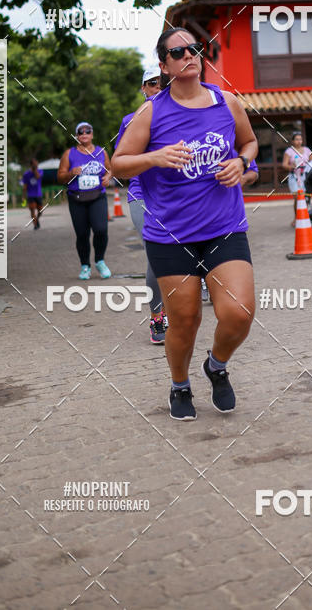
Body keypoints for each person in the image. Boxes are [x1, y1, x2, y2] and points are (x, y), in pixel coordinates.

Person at [112, 28, 258, 421]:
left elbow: (249, 143)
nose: (189, 55)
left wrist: (240, 163)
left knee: (240, 311)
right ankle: (179, 384)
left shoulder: (226, 102)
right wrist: (155, 157)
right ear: (164, 65)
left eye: (195, 49)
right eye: (178, 52)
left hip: (224, 226)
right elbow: (118, 163)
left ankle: (217, 365)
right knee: (186, 319)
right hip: (171, 236)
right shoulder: (151, 112)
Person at [115, 65, 167, 344]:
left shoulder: (181, 115)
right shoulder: (131, 120)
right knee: (155, 255)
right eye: (151, 83)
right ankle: (157, 317)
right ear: (143, 89)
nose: (157, 87)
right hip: (142, 195)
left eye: (160, 82)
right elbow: (120, 162)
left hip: (176, 195)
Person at [57, 122, 112, 279]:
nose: (84, 134)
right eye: (81, 132)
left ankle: (100, 261)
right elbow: (60, 177)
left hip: (97, 197)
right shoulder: (70, 154)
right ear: (77, 136)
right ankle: (85, 266)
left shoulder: (101, 151)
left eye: (88, 131)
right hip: (77, 199)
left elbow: (110, 169)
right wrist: (71, 173)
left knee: (101, 230)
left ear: (92, 134)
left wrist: (108, 176)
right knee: (82, 234)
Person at [201, 158, 259, 304]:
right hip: (190, 221)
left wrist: (242, 178)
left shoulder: (232, 140)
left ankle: (214, 287)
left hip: (226, 221)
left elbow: (253, 171)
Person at [282, 131, 312, 226]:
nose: (299, 141)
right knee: (297, 198)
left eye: (300, 139)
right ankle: (297, 217)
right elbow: (284, 164)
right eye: (297, 139)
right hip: (294, 176)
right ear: (292, 141)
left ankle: (305, 216)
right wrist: (292, 166)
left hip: (305, 176)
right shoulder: (289, 151)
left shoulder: (307, 150)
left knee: (305, 197)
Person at [21, 158, 43, 229]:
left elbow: (37, 177)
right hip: (30, 195)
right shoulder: (26, 174)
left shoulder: (40, 171)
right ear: (31, 165)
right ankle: (35, 225)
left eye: (36, 164)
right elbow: (25, 186)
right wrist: (23, 196)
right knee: (32, 210)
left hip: (38, 194)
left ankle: (37, 219)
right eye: (34, 164)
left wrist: (35, 170)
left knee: (41, 210)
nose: (36, 165)